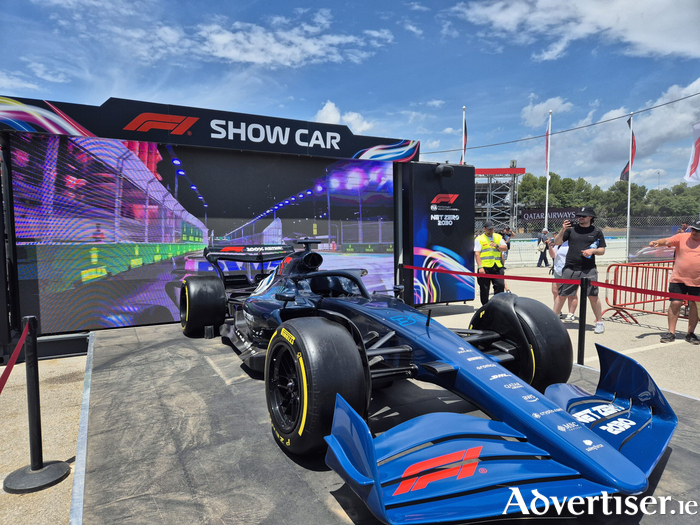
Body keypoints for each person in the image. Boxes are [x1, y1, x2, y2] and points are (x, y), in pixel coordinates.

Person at [552, 207, 607, 334]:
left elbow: (602, 250)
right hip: (570, 268)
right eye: (579, 216)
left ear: (590, 217)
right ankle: (553, 322)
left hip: (588, 269)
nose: (580, 218)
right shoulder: (571, 230)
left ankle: (599, 322)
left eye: (584, 216)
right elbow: (557, 242)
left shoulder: (597, 232)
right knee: (561, 295)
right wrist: (562, 230)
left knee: (593, 296)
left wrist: (593, 251)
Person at [649, 220, 700, 344]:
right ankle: (671, 332)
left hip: (697, 281)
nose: (694, 232)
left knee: (694, 306)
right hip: (678, 278)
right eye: (693, 229)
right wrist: (657, 243)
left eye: (698, 231)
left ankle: (690, 333)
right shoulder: (682, 237)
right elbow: (667, 241)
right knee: (675, 303)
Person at [474, 220, 508, 305]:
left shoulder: (498, 237)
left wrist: (497, 246)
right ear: (484, 229)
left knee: (500, 285)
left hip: (497, 267)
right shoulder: (479, 239)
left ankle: (497, 305)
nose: (491, 230)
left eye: (492, 228)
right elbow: (477, 254)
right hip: (485, 267)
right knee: (484, 289)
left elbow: (505, 248)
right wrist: (480, 267)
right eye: (489, 229)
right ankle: (485, 306)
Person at [548, 238, 578, 321]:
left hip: (571, 271)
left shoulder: (574, 242)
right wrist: (550, 247)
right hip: (558, 271)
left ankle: (571, 314)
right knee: (555, 292)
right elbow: (553, 255)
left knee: (572, 294)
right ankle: (558, 312)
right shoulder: (558, 243)